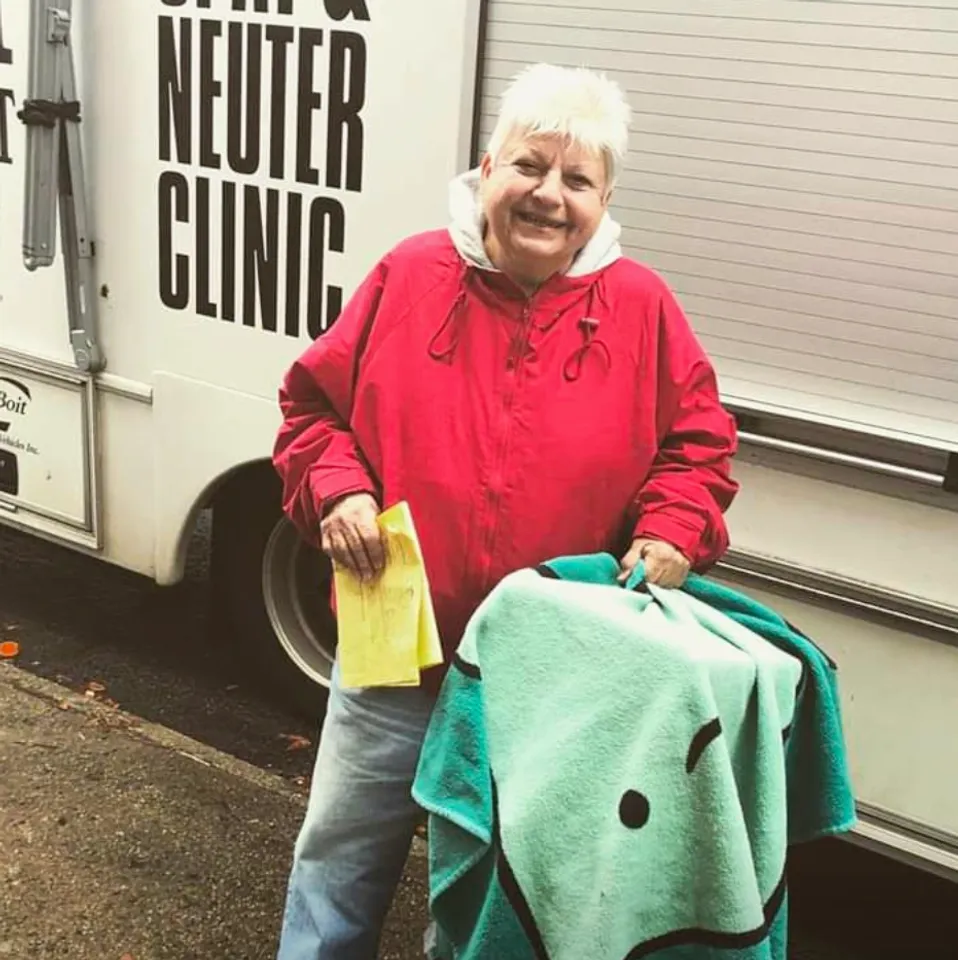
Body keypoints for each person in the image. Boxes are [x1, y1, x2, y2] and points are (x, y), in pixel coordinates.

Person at [271, 63, 739, 959]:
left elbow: (700, 446)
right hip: (393, 645)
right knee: (340, 855)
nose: (548, 196)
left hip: (545, 671)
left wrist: (672, 529)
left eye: (578, 180)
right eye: (531, 165)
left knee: (496, 881)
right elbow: (312, 411)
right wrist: (341, 489)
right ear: (489, 168)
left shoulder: (639, 307)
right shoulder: (409, 275)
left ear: (605, 200)